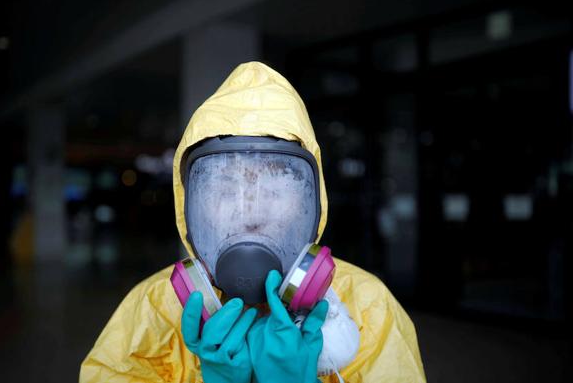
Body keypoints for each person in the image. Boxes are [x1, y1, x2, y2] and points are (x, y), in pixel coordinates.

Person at [80, 61, 426, 383]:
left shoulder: (367, 305)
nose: (252, 212)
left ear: (311, 200)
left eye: (275, 191)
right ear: (190, 202)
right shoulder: (153, 309)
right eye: (227, 191)